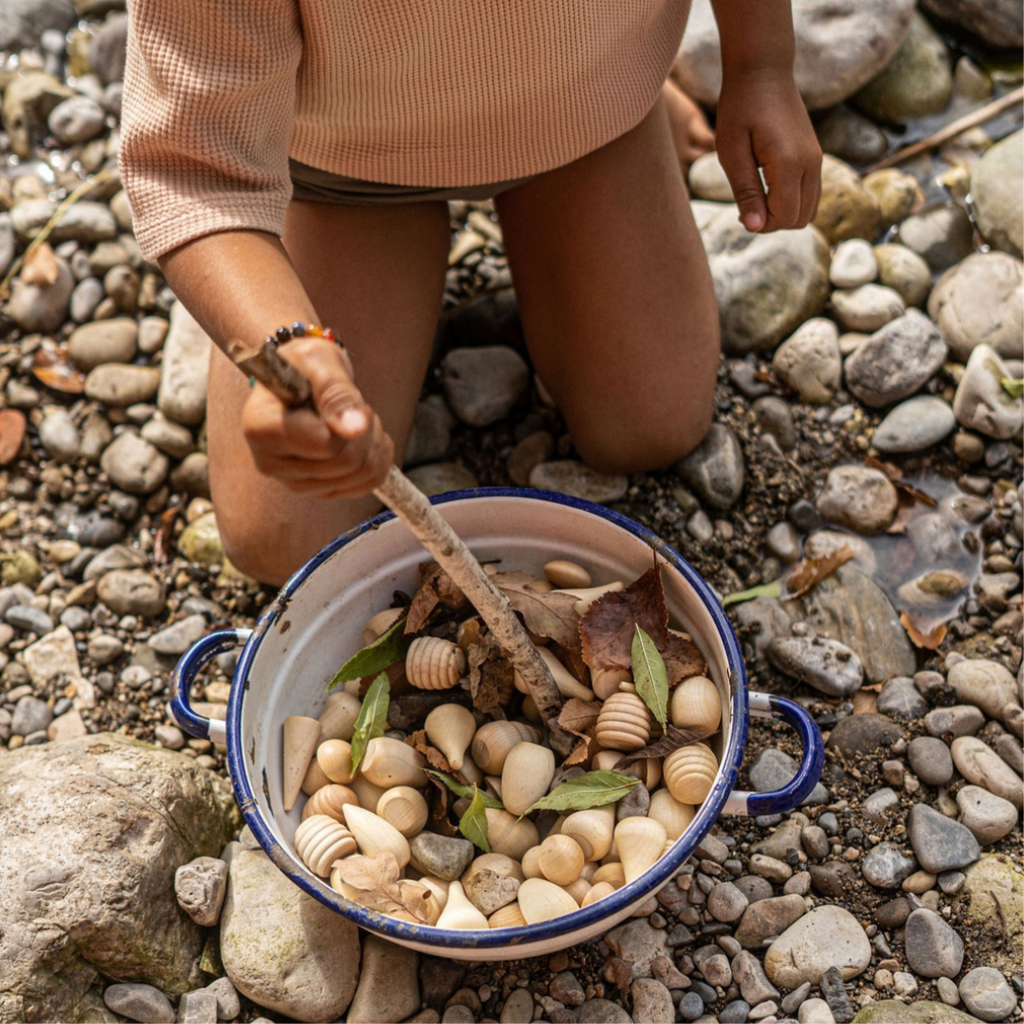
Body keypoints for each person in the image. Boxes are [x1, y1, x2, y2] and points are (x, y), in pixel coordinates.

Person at [121, 0, 821, 587]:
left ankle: (645, 90)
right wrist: (284, 343)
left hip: (585, 105)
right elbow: (194, 170)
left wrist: (761, 64)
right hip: (345, 161)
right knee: (286, 538)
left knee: (653, 422)